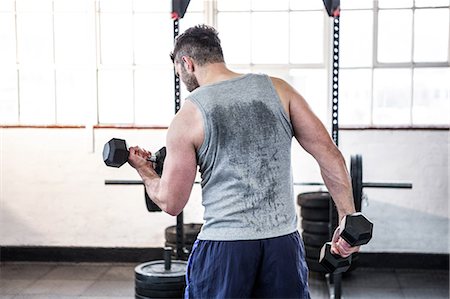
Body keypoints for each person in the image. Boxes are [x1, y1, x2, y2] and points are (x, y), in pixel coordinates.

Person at [128, 24, 359, 298]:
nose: (182, 80)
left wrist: (146, 172)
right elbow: (328, 153)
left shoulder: (188, 116)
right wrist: (348, 217)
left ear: (187, 63)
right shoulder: (280, 90)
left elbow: (171, 202)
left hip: (225, 248)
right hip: (282, 245)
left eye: (179, 73)